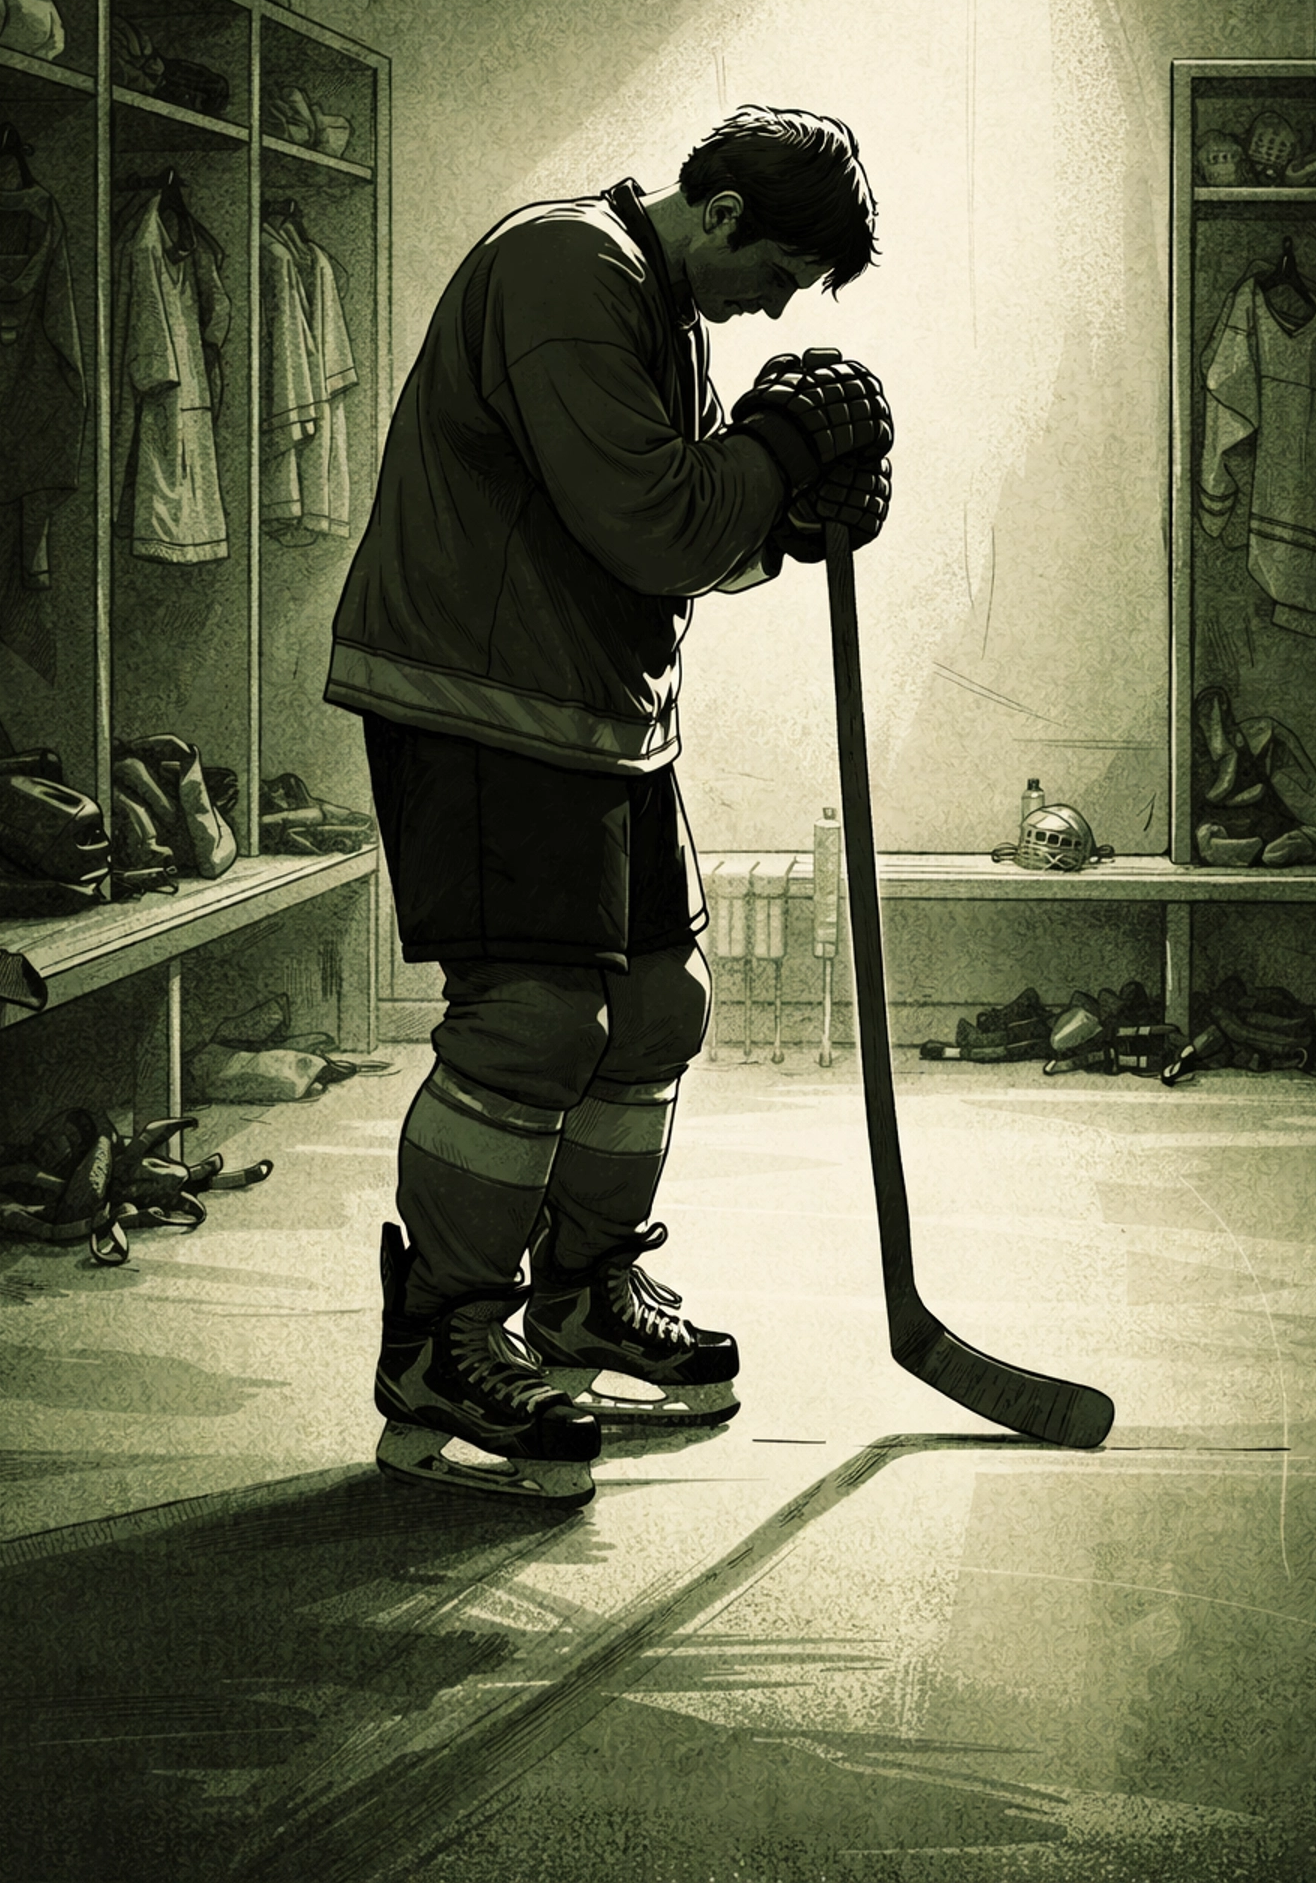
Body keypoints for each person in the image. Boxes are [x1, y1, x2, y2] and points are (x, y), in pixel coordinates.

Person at [326, 104, 892, 1505]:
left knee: (655, 1010)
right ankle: (444, 1338)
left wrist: (798, 508)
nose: (775, 306)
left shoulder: (661, 311)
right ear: (717, 213)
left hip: (596, 711)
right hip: (476, 696)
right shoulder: (563, 271)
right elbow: (654, 519)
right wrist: (775, 461)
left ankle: (580, 1297)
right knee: (530, 1023)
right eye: (778, 271)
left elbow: (689, 533)